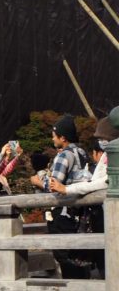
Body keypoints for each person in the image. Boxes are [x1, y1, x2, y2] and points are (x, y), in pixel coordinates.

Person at [49, 114, 116, 279]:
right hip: (89, 211)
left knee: (70, 259)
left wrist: (64, 188)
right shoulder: (82, 153)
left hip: (69, 211)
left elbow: (101, 182)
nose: (101, 143)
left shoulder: (64, 155)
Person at [32, 114, 92, 278]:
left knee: (64, 255)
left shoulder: (64, 155)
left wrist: (38, 182)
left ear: (63, 137)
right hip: (81, 212)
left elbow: (53, 185)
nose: (52, 139)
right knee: (78, 255)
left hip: (64, 212)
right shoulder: (83, 153)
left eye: (54, 135)